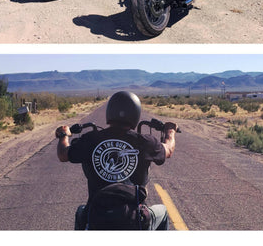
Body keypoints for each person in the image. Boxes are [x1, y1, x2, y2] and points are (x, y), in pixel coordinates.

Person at [55, 91, 177, 230]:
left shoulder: (91, 139)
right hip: (134, 217)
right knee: (163, 211)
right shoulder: (145, 142)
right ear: (135, 114)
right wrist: (170, 131)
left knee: (81, 211)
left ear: (109, 112)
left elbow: (63, 154)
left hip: (97, 216)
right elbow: (168, 149)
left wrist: (64, 135)